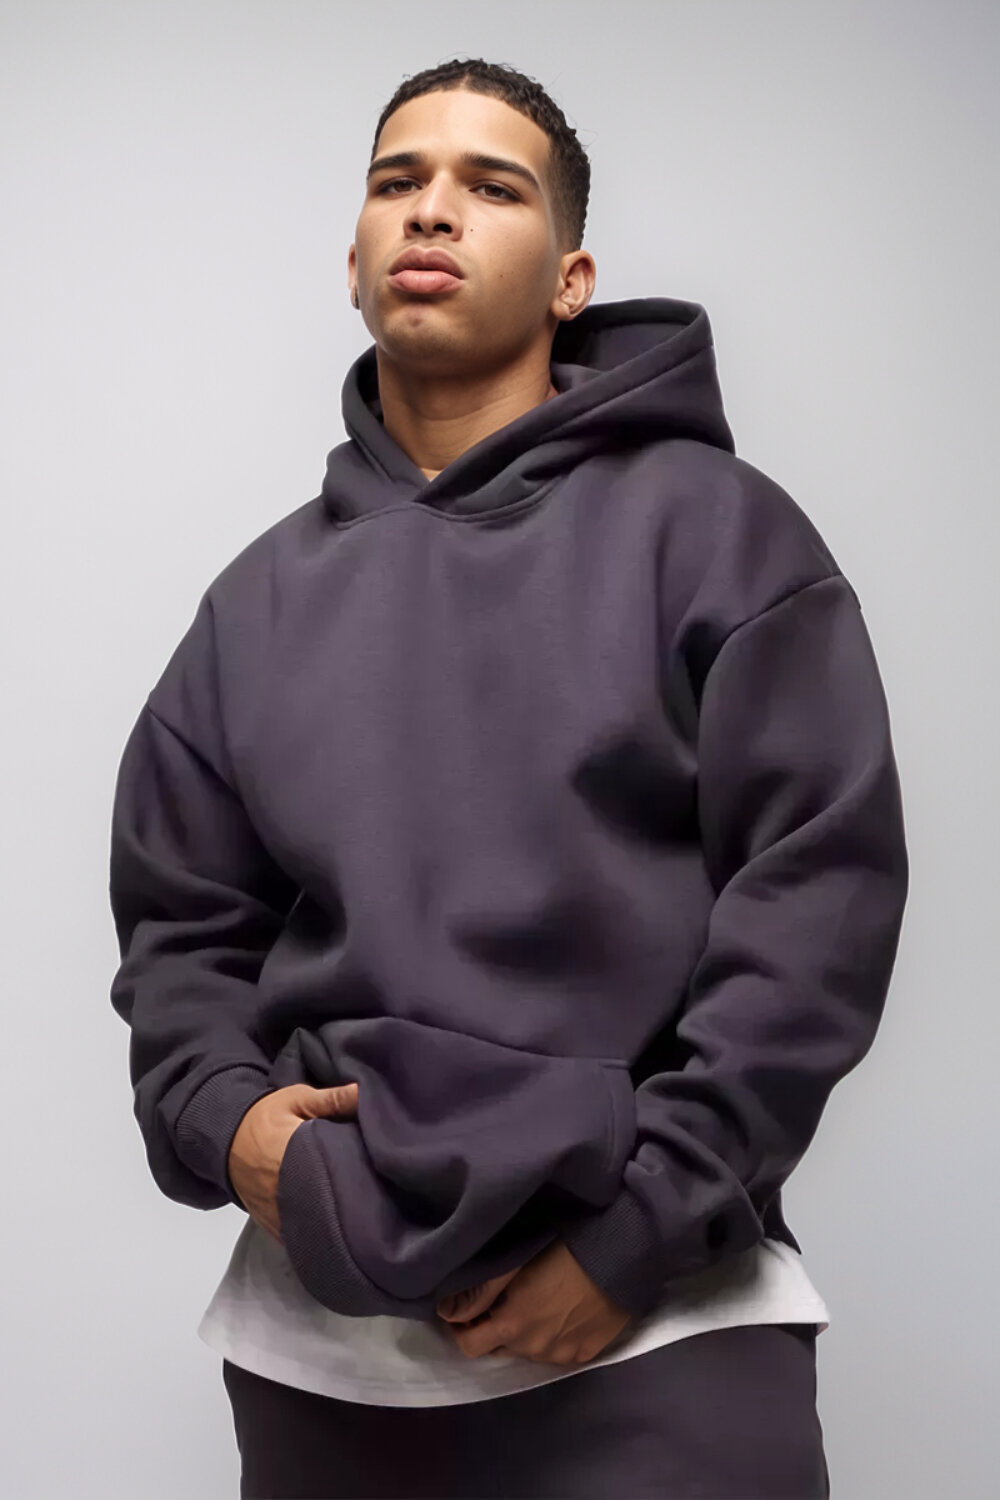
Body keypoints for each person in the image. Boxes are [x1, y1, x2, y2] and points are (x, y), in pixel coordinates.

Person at [108, 56, 909, 1500]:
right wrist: (229, 1129)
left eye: (493, 187)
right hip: (322, 1358)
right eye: (397, 181)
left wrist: (637, 1233)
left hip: (661, 1328)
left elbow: (816, 910)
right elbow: (181, 934)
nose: (432, 211)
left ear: (570, 280)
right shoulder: (253, 605)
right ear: (353, 257)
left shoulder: (723, 538)